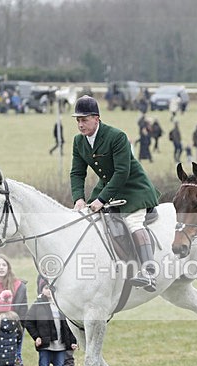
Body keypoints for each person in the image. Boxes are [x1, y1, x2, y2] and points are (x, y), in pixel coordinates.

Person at [69, 95, 161, 291]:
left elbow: (122, 172)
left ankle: (149, 271)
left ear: (96, 118)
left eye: (84, 119)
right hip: (107, 187)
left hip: (134, 187)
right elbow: (77, 173)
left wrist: (101, 200)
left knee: (133, 221)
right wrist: (78, 198)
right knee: (86, 220)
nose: (80, 124)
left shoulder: (116, 136)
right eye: (78, 120)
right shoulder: (78, 142)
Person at [24, 277, 78, 366]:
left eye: (52, 288)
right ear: (41, 290)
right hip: (46, 345)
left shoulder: (62, 305)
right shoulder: (38, 305)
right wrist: (36, 337)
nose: (49, 290)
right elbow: (28, 321)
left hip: (61, 345)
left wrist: (73, 341)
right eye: (46, 287)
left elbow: (70, 325)